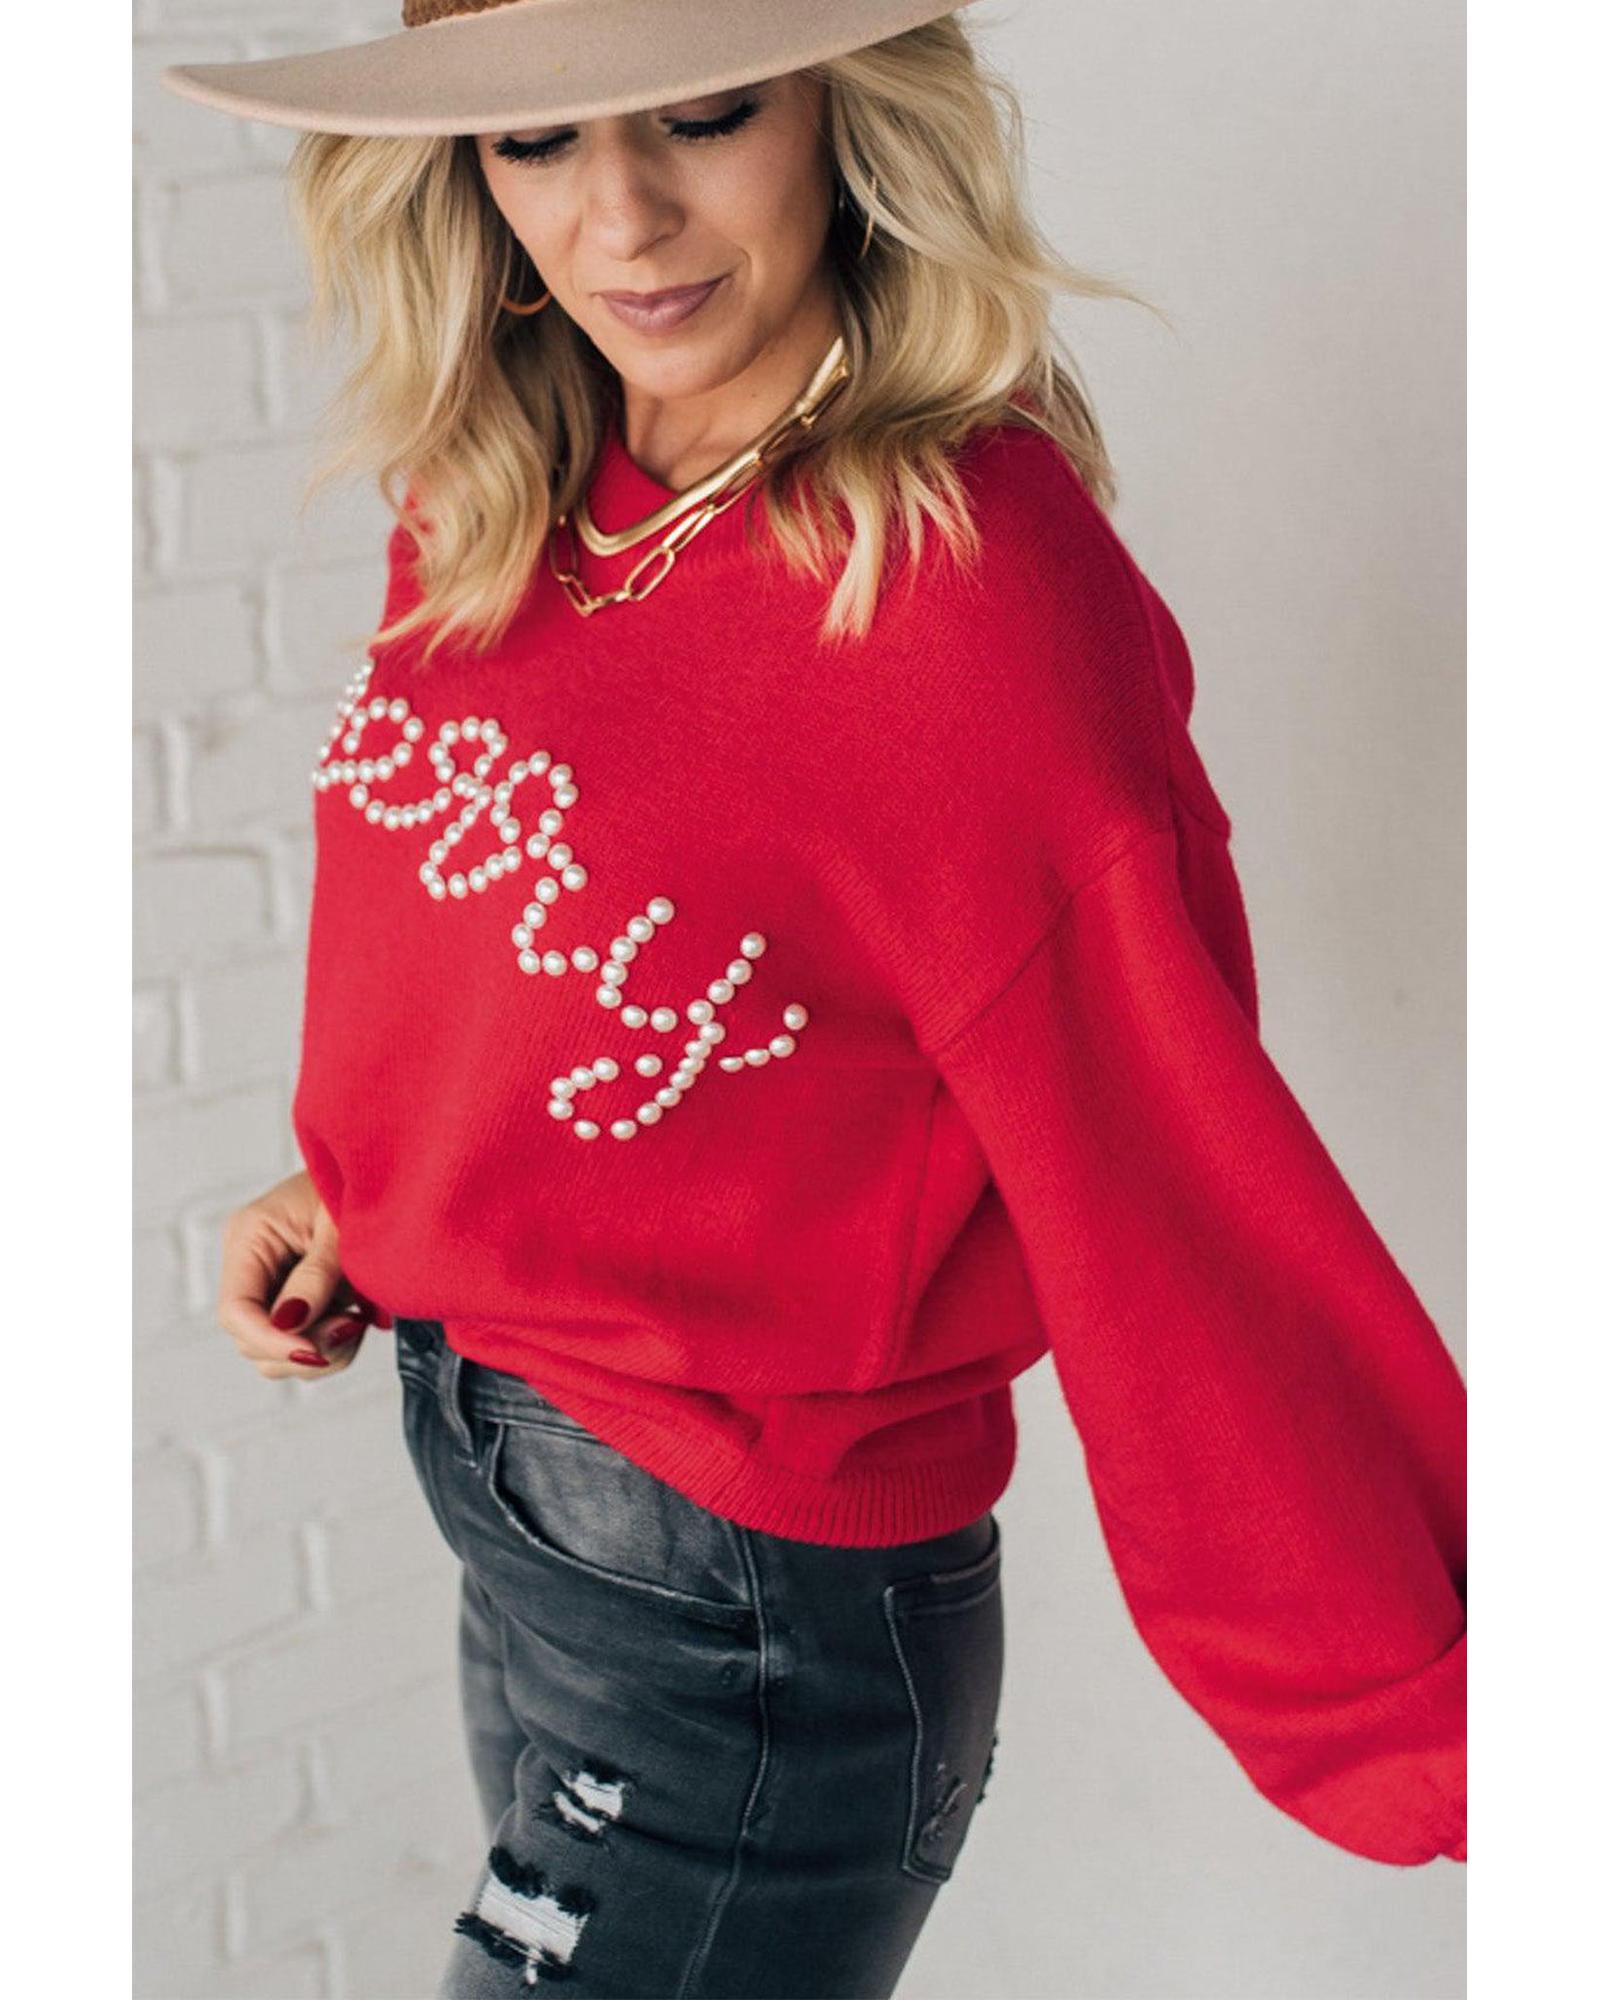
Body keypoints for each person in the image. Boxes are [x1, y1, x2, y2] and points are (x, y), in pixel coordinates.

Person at [159, 2, 1467, 1993]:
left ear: (845, 114)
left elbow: (1170, 1178)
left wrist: (1429, 1712)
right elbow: (528, 936)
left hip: (743, 1613)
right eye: (535, 139)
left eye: (703, 113)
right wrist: (374, 1183)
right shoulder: (504, 480)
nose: (622, 217)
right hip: (523, 1522)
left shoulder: (955, 580)